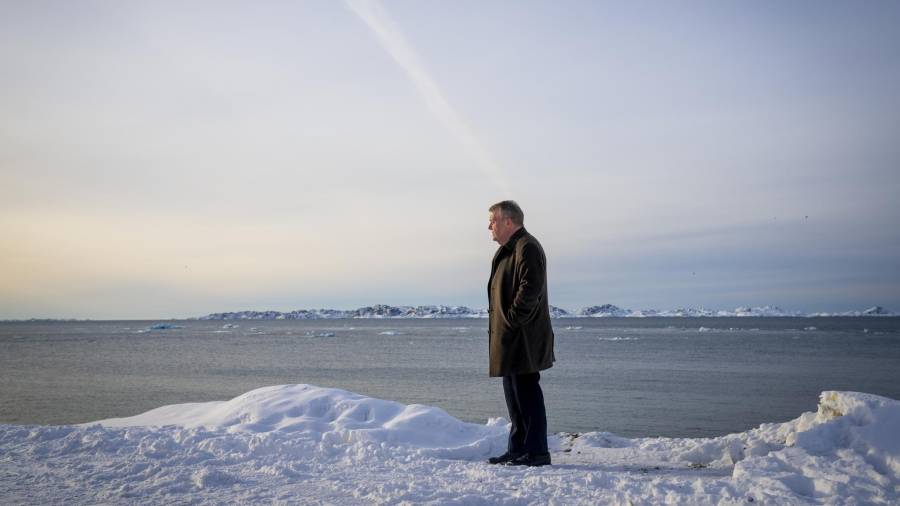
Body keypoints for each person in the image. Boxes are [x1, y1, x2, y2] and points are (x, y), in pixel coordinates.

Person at [485, 200, 555, 467]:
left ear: (508, 221)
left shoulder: (527, 247)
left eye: (492, 220)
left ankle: (536, 452)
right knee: (515, 397)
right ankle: (518, 448)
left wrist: (513, 319)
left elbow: (531, 287)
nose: (488, 226)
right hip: (510, 339)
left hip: (522, 338)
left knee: (527, 394)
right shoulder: (509, 249)